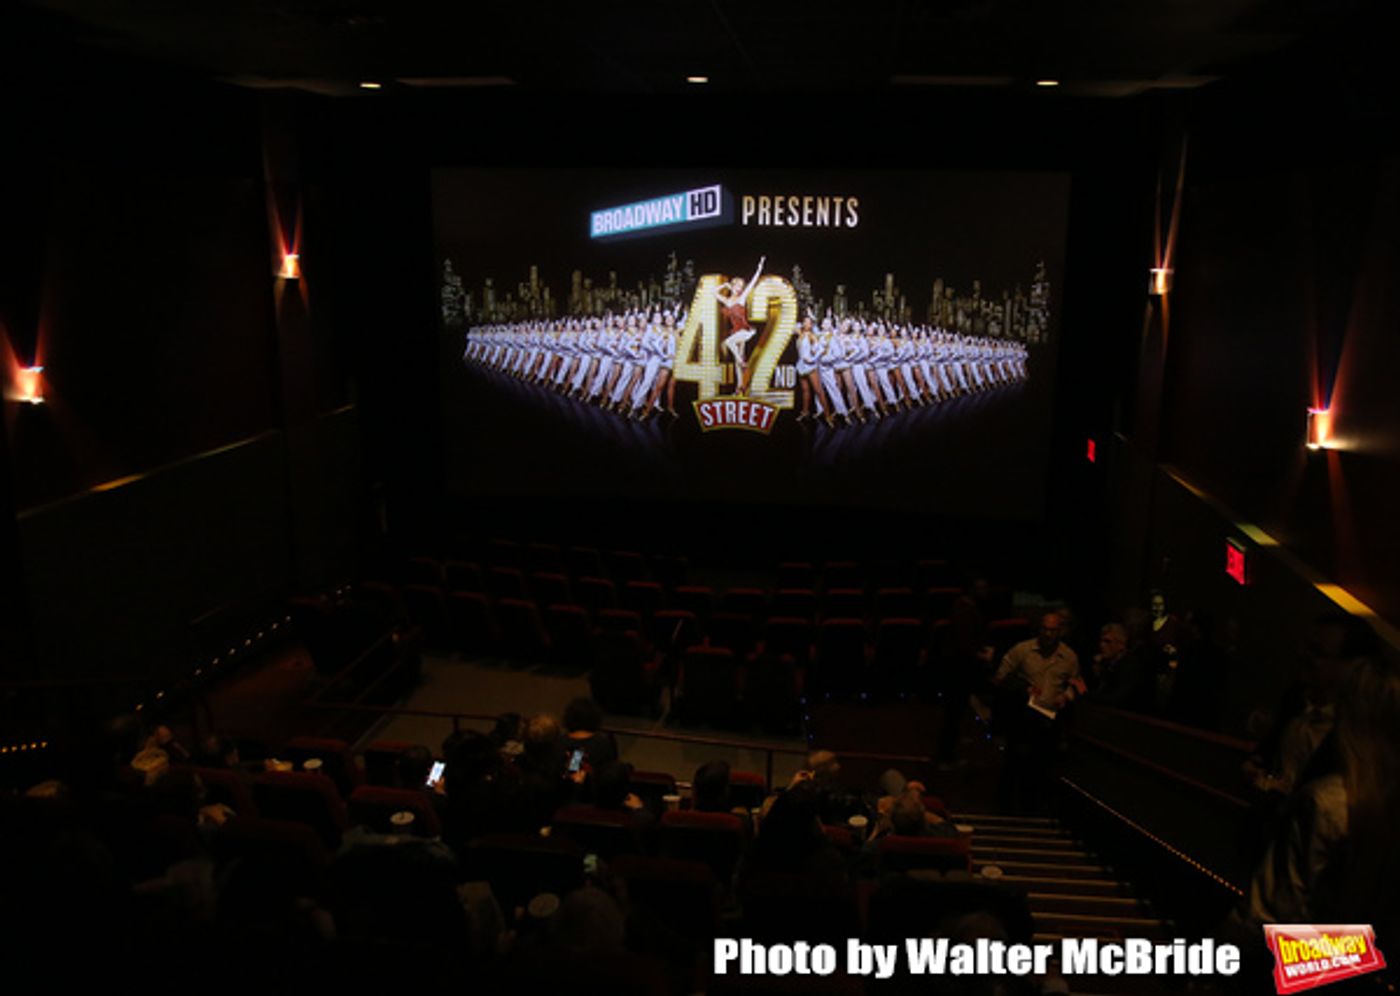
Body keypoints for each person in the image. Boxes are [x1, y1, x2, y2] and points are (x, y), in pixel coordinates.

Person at [714, 256, 765, 396]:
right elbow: (714, 292)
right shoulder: (727, 300)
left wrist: (759, 267)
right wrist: (724, 285)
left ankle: (742, 362)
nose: (739, 289)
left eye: (741, 287)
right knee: (736, 362)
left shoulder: (742, 298)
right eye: (737, 286)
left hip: (745, 330)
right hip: (736, 332)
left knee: (728, 342)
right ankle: (740, 388)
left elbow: (753, 282)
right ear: (733, 285)